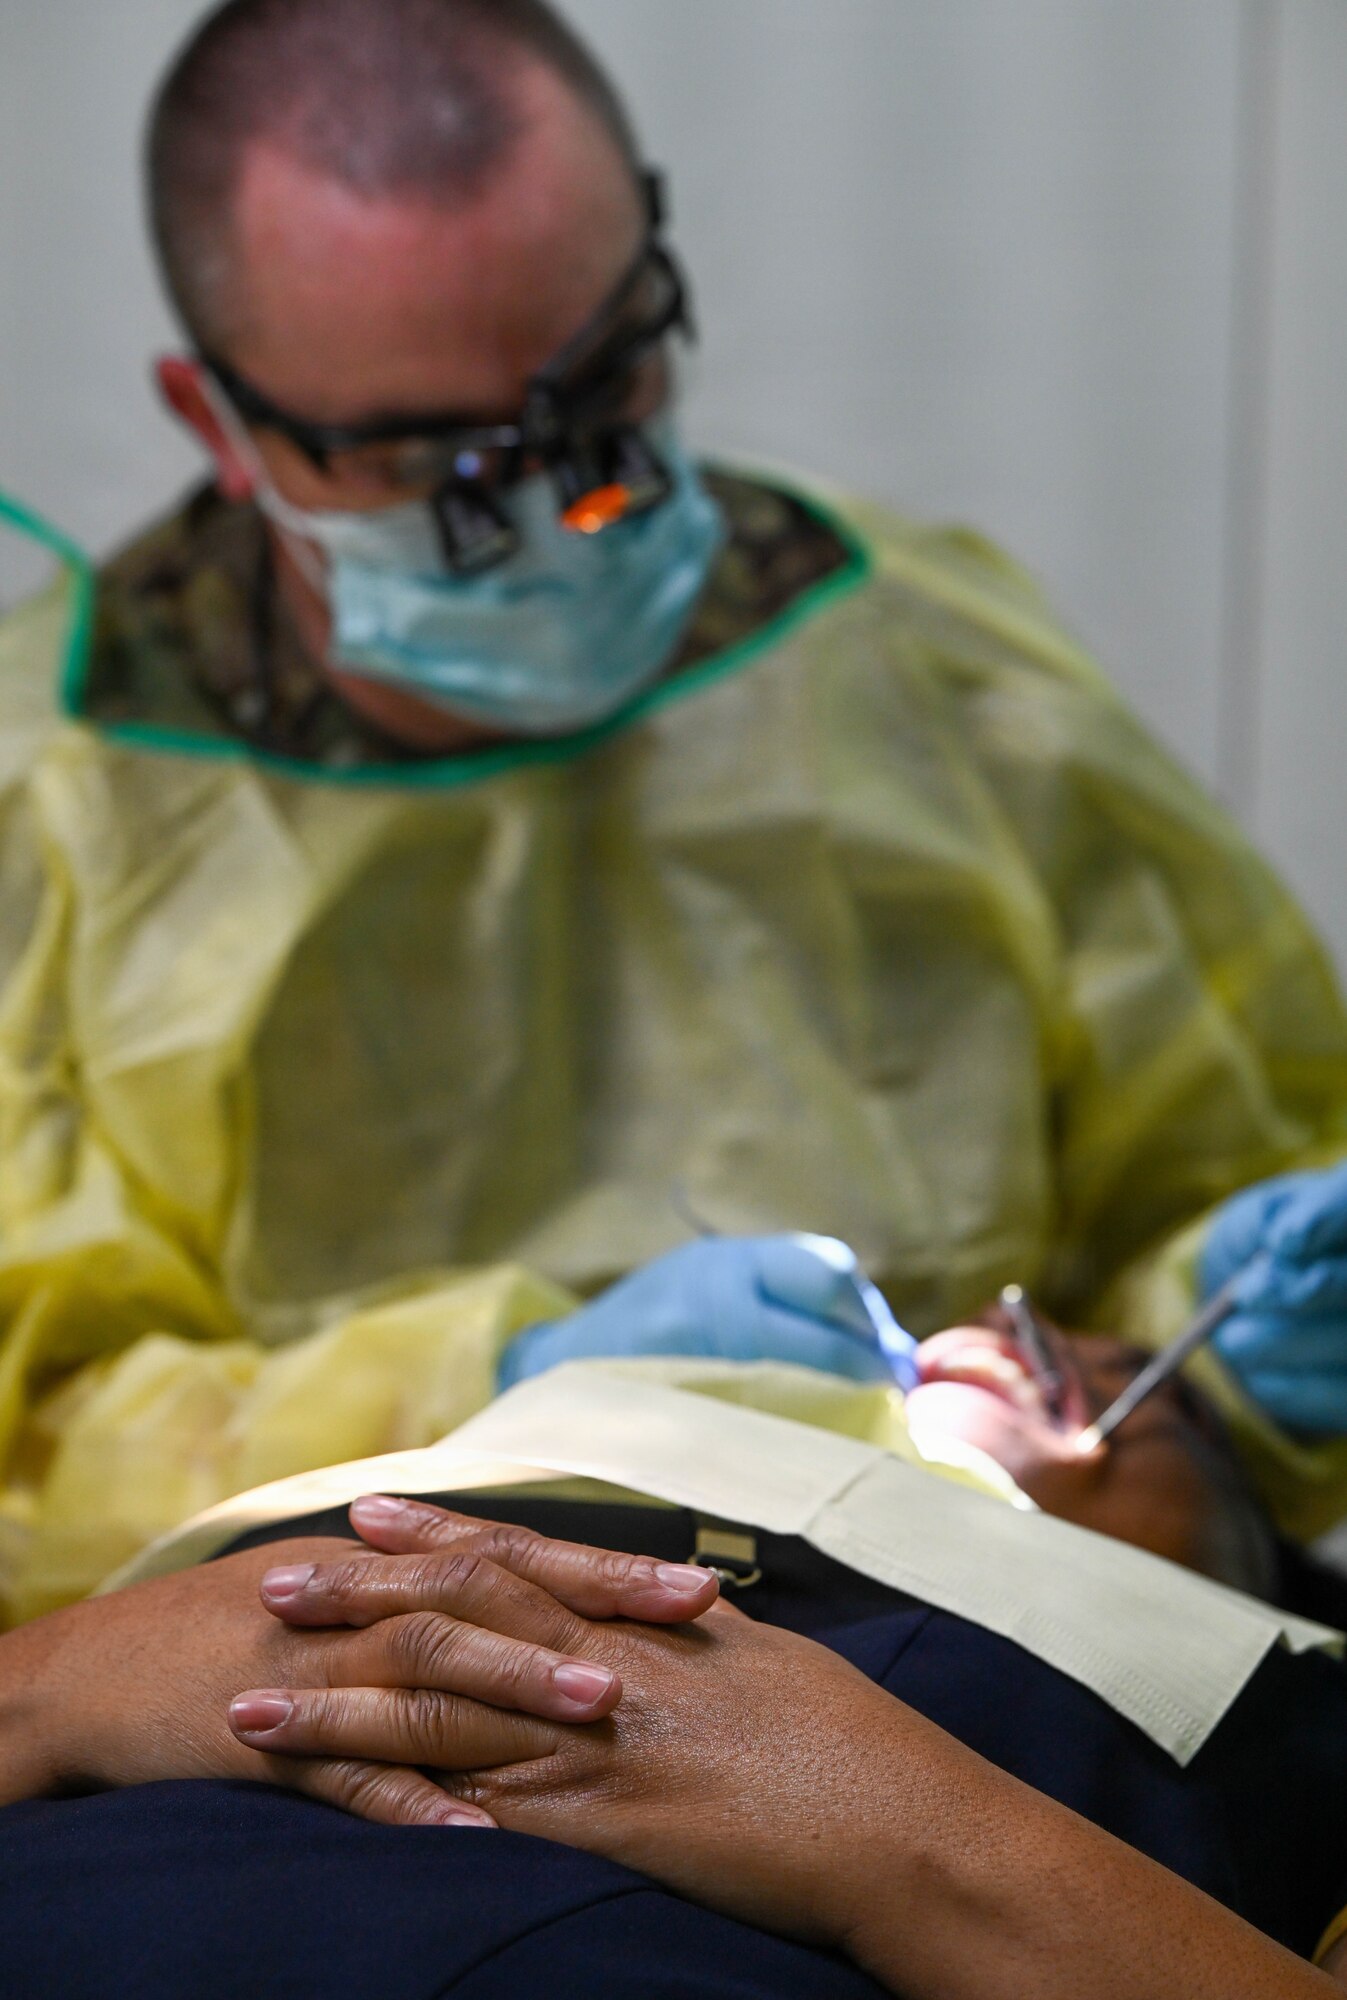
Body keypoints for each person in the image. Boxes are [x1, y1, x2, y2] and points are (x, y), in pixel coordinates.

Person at [2, 0, 1347, 1634]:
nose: (568, 506)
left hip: (989, 1670)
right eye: (441, 467)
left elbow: (1186, 1262)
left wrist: (1235, 1337)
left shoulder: (928, 677)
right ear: (219, 424)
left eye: (604, 392)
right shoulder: (58, 819)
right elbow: (32, 1462)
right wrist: (499, 1392)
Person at [2, 1316, 1346, 1996]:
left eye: (1139, 1384)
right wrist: (47, 1683)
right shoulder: (441, 1476)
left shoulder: (1292, 1720)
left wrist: (921, 1837)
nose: (1007, 1340)